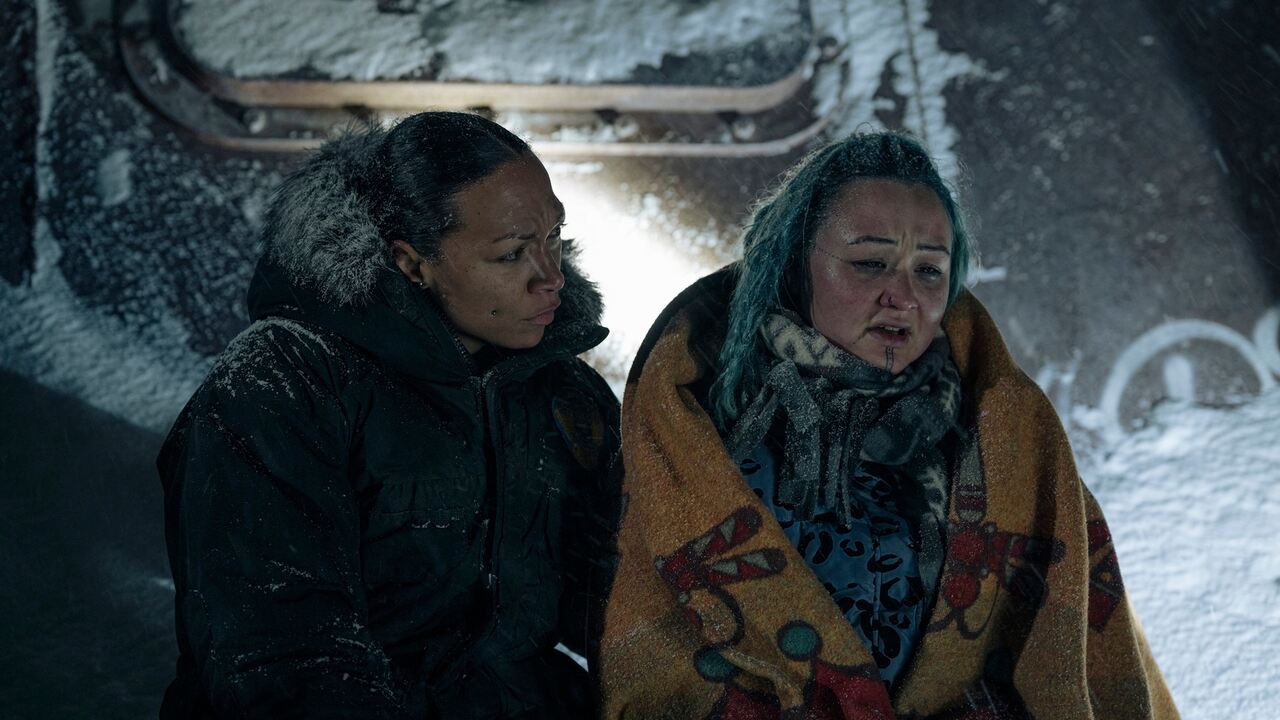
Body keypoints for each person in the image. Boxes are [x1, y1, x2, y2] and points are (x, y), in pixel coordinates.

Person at [601, 132, 1179, 719]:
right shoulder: (695, 426)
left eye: (929, 271)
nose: (902, 296)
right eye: (870, 263)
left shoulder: (1009, 430)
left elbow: (1076, 645)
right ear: (794, 264)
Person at [158, 112, 620, 719]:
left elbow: (622, 600)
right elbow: (281, 657)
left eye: (554, 235)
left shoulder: (563, 392)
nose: (552, 277)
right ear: (412, 263)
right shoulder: (284, 383)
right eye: (511, 255)